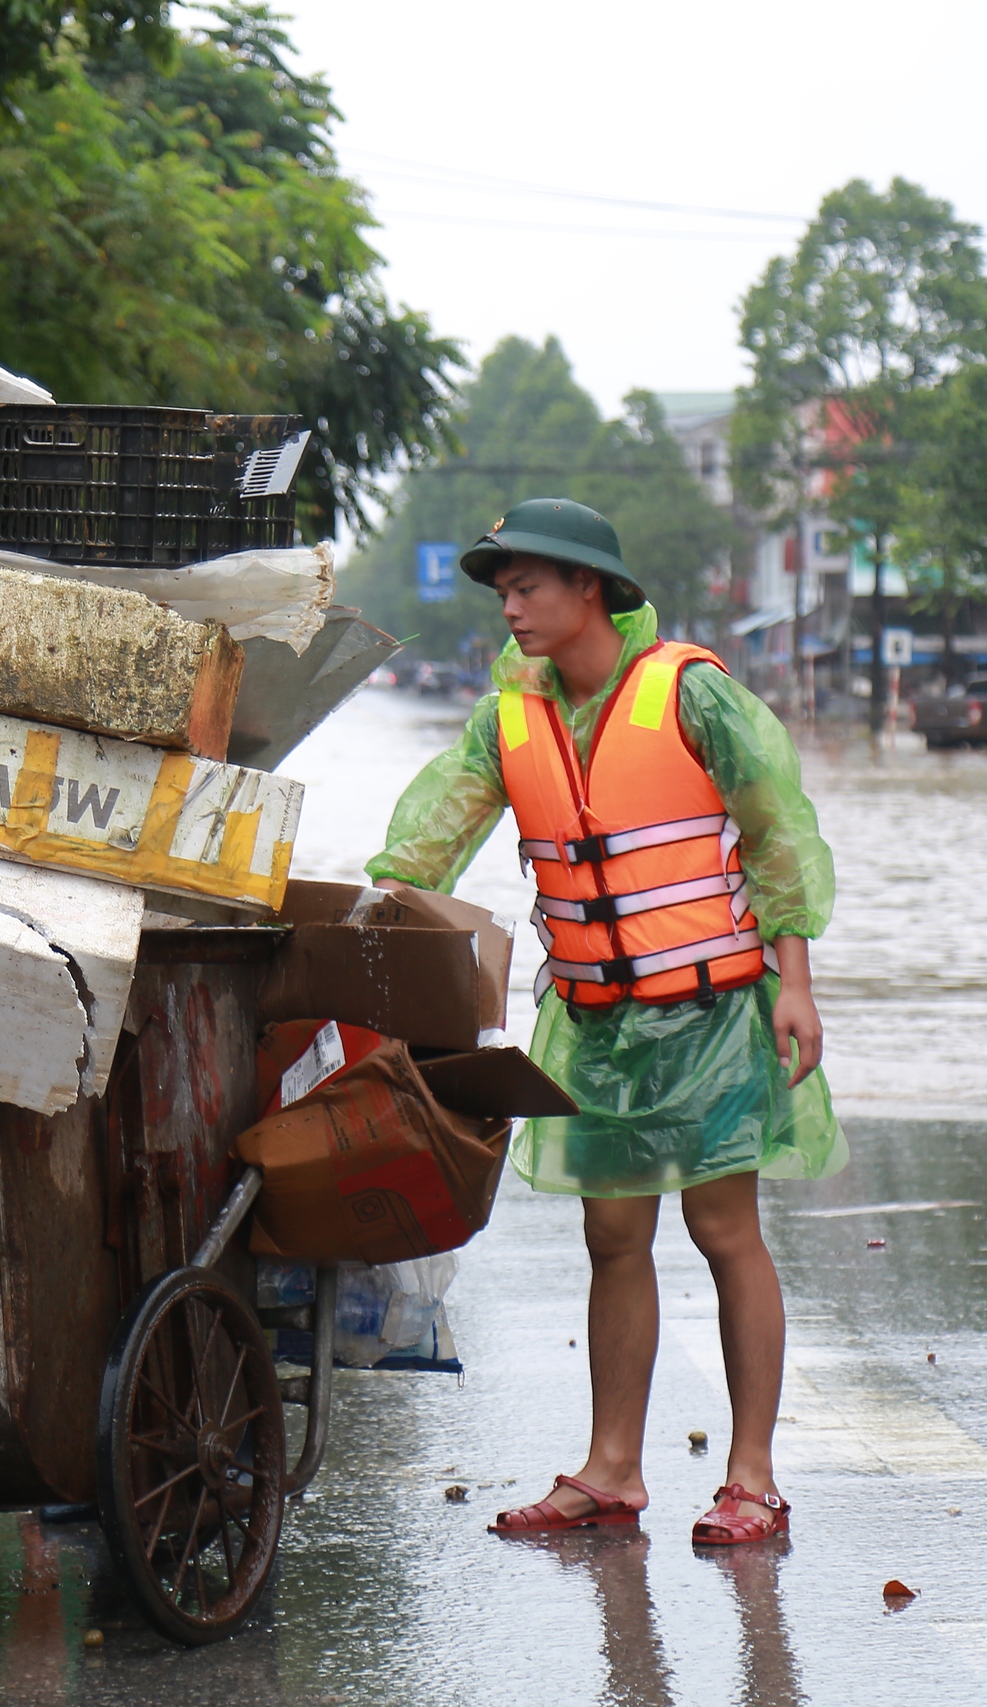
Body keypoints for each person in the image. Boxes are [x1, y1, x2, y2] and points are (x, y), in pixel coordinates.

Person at [367, 498, 844, 1548]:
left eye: (528, 587)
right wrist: (372, 931)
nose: (511, 610)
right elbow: (425, 841)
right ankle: (611, 1469)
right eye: (501, 592)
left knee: (725, 1234)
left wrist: (795, 979)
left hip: (714, 1010)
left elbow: (776, 833)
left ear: (590, 588)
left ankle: (751, 1479)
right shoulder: (508, 719)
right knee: (612, 1237)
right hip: (595, 1025)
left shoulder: (692, 694)